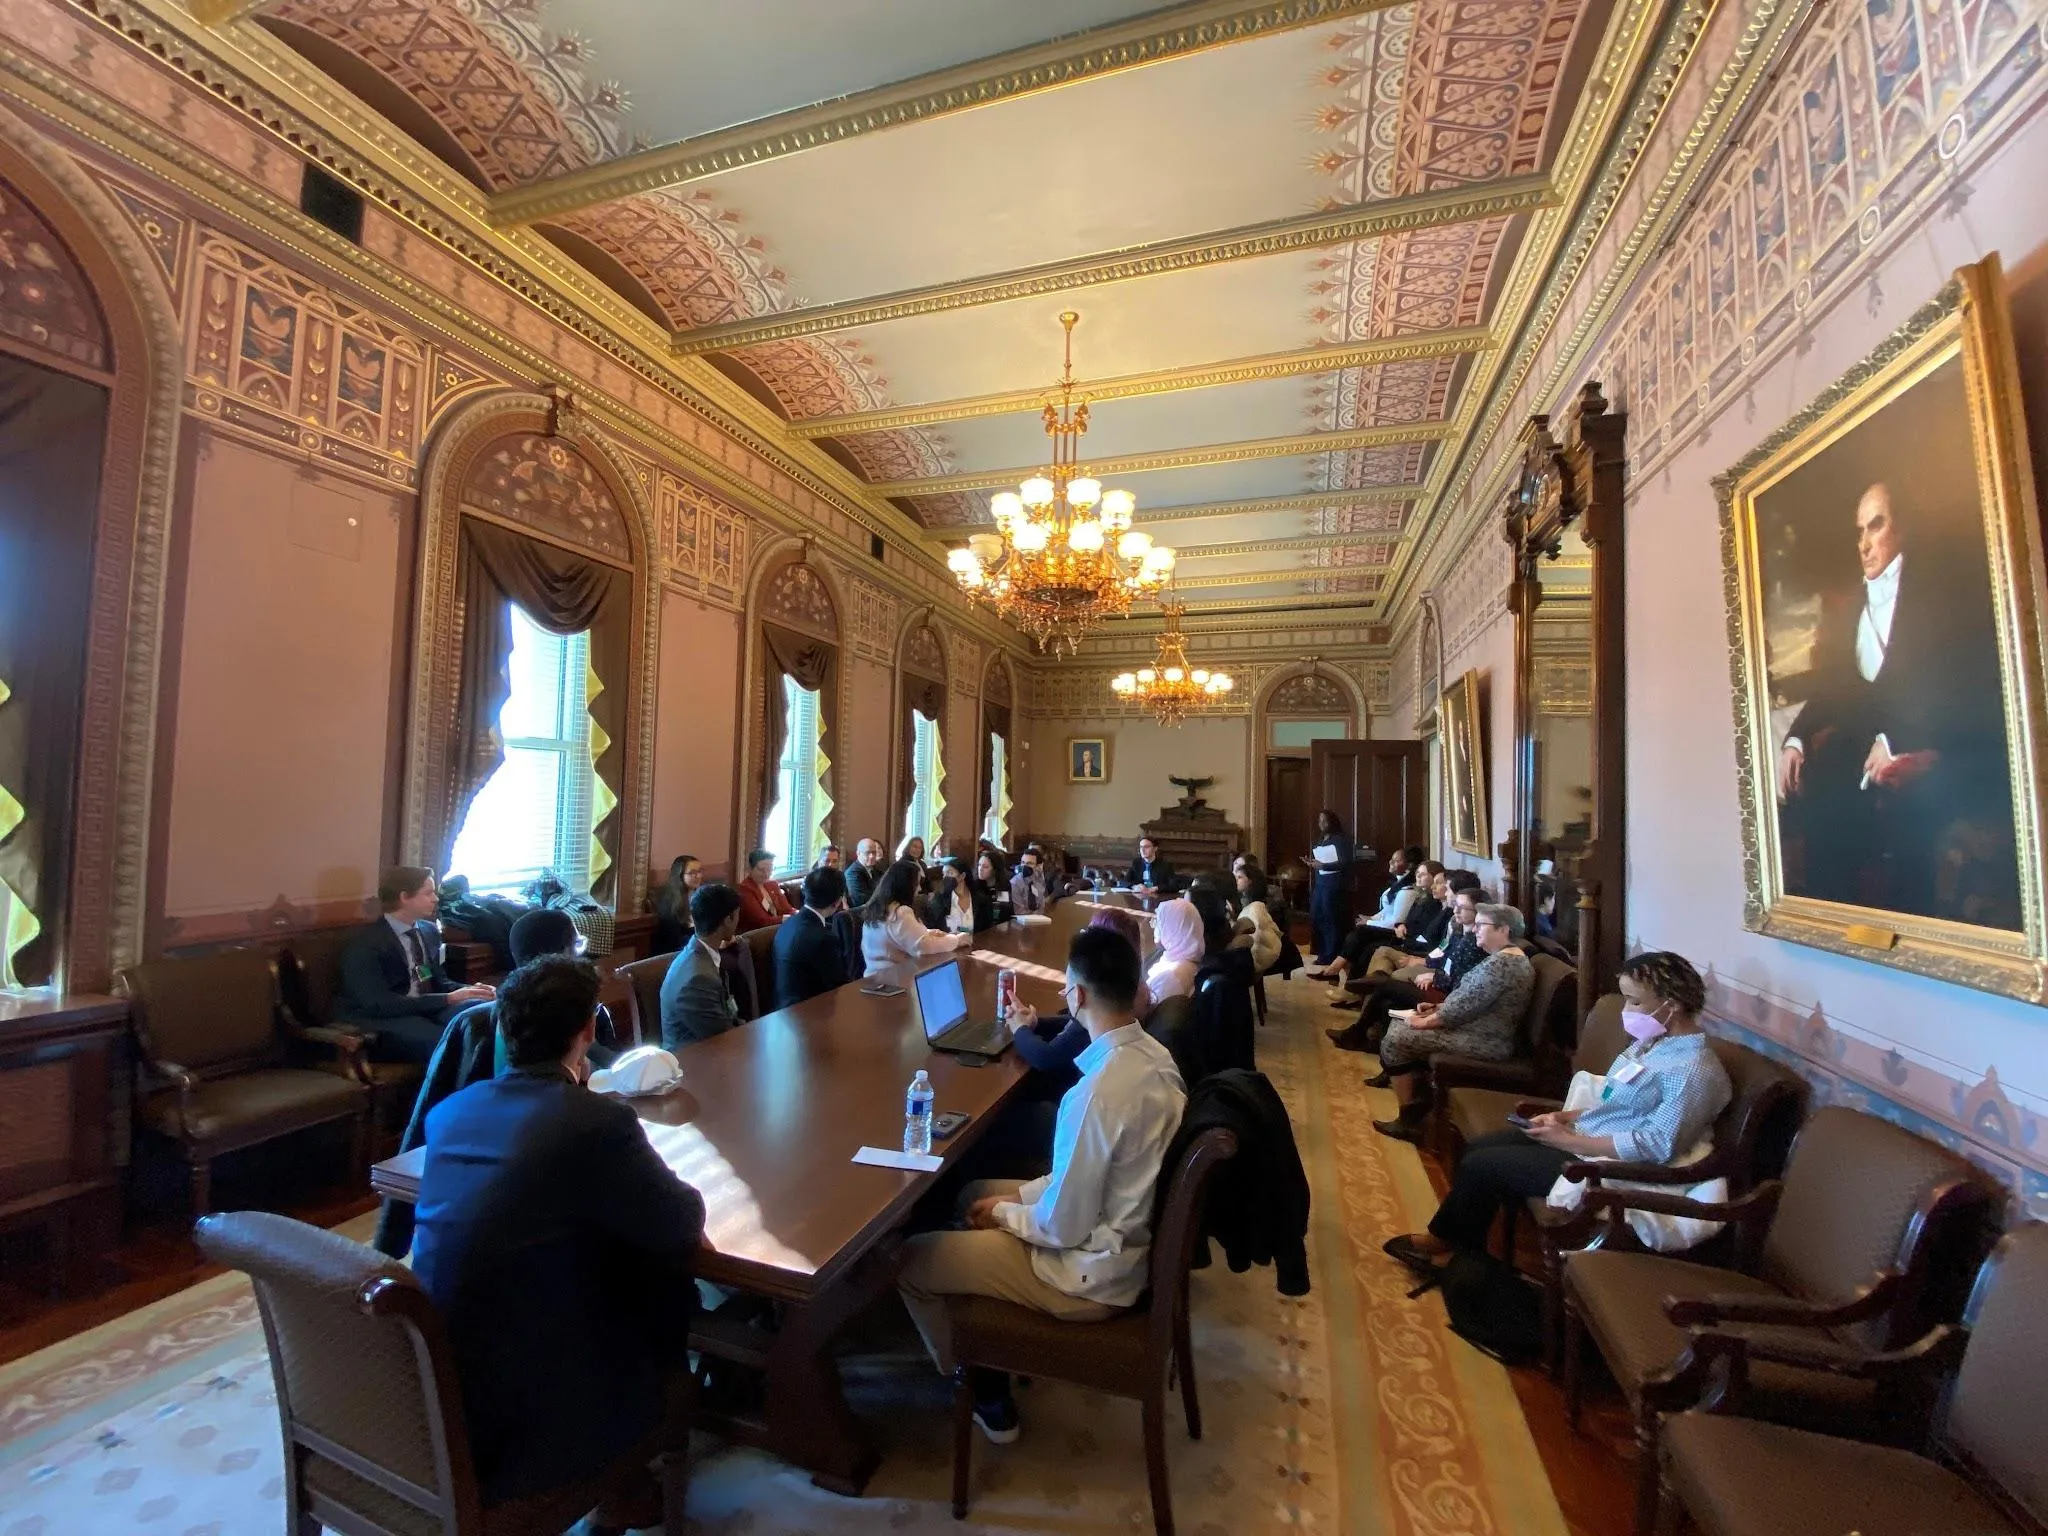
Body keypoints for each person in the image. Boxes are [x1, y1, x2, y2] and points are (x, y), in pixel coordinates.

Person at [410, 954, 707, 1514]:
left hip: (437, 1378)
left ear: (503, 1026)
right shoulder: (597, 1123)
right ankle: (628, 1478)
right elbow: (679, 1225)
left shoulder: (449, 1114)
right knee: (665, 1289)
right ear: (588, 1031)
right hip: (537, 1417)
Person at [897, 926, 1186, 1440]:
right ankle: (977, 1298)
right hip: (1118, 1232)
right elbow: (1084, 1179)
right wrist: (1009, 1198)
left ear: (1077, 995)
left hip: (1088, 1274)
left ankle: (976, 1381)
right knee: (972, 1191)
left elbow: (1062, 1225)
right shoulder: (1154, 1058)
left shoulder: (1096, 1093)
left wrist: (1005, 1213)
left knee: (910, 1260)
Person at [1382, 952, 1733, 1276]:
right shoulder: (1654, 1044)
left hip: (1615, 1167)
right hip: (1585, 1137)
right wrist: (1565, 1118)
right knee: (1479, 1149)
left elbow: (1657, 1144)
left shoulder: (1692, 1069)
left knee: (1483, 1165)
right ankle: (1466, 1244)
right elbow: (1618, 1103)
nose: (1627, 1009)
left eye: (1635, 1001)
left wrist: (1572, 1139)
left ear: (1670, 1006)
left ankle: (1449, 1247)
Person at [1774, 482, 2015, 921]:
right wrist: (1795, 741)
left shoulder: (1940, 598)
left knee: (1914, 811)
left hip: (1942, 740)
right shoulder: (1851, 612)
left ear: (1900, 530)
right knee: (1825, 788)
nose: (1864, 544)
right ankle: (1831, 919)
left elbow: (1964, 684)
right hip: (1868, 757)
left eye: (1876, 525)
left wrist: (1897, 738)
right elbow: (1832, 689)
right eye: (1859, 531)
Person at [1372, 903, 1535, 1143]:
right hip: (1474, 1028)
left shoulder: (1504, 965)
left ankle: (1410, 1121)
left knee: (1397, 1037)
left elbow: (1462, 1009)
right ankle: (1417, 1104)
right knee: (1401, 1026)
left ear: (1503, 930)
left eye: (1481, 925)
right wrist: (1435, 1007)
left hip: (1485, 1040)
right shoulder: (1502, 958)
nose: (1475, 930)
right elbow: (1470, 1000)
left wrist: (1423, 1023)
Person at [339, 866, 494, 1062]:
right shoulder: (365, 943)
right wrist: (447, 999)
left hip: (425, 1005)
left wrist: (472, 991)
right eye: (428, 893)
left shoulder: (428, 932)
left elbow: (437, 980)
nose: (436, 899)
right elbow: (378, 1004)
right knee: (446, 1041)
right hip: (383, 1016)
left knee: (483, 1015)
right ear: (404, 897)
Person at [1330, 883, 1485, 1052]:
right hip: (1436, 973)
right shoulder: (1458, 931)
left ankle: (1359, 1029)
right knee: (1386, 994)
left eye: (1462, 908)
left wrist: (1433, 975)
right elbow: (1443, 955)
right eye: (1456, 906)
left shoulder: (1475, 943)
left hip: (1445, 993)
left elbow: (1462, 979)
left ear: (1478, 912)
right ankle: (1368, 1037)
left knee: (1387, 985)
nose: (1456, 911)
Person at [1321, 863, 1449, 999]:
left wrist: (1418, 955)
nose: (1418, 876)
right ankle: (1344, 978)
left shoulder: (1436, 904)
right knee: (1362, 931)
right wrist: (1400, 925)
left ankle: (1350, 987)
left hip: (1413, 943)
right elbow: (1409, 920)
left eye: (1423, 874)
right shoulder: (1424, 896)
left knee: (1370, 947)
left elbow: (1430, 937)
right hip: (1406, 934)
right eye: (1417, 872)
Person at [660, 883, 744, 1049]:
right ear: (728, 919)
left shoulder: (701, 953)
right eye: (738, 915)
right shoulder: (698, 979)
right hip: (692, 1062)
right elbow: (721, 1038)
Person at [860, 857, 971, 973]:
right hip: (893, 980)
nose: (919, 888)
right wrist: (957, 940)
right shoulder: (900, 912)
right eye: (917, 884)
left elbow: (897, 935)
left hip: (875, 976)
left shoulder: (880, 907)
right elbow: (922, 946)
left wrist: (927, 932)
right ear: (905, 885)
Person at [773, 866, 853, 1008]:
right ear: (838, 901)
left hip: (782, 1011)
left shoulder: (787, 925)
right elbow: (839, 987)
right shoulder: (823, 939)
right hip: (810, 1016)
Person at [1304, 810, 1356, 968]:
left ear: (1332, 822)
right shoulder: (1320, 839)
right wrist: (1312, 863)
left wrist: (1324, 865)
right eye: (1320, 821)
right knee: (1316, 916)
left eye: (1324, 821)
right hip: (1320, 884)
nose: (1321, 824)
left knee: (1331, 919)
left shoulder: (1341, 839)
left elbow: (1345, 862)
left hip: (1334, 885)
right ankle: (1320, 952)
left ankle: (1331, 954)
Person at [1145, 896, 1206, 1003]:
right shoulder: (1190, 960)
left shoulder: (1169, 978)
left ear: (1173, 928)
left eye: (1159, 922)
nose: (1154, 927)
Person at [926, 855, 999, 935]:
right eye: (944, 874)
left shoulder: (980, 898)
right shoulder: (940, 899)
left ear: (962, 876)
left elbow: (987, 927)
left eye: (950, 873)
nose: (945, 877)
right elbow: (932, 929)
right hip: (950, 945)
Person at [649, 853, 702, 954]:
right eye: (692, 873)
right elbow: (674, 938)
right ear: (680, 875)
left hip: (698, 947)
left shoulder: (701, 895)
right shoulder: (669, 902)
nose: (698, 876)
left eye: (700, 871)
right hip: (678, 952)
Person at [735, 848, 795, 932]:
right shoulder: (745, 889)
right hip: (757, 935)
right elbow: (762, 921)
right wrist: (785, 918)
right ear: (750, 869)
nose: (766, 874)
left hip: (777, 929)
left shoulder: (773, 884)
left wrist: (797, 914)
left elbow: (787, 909)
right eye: (761, 870)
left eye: (770, 869)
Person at [845, 837, 885, 910]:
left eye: (874, 852)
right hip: (860, 916)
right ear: (858, 853)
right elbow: (860, 901)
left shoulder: (876, 871)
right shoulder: (852, 873)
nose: (872, 856)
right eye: (867, 853)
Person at [1010, 845, 1052, 914]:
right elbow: (1019, 912)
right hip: (1021, 921)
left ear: (1038, 866)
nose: (1024, 866)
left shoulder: (1039, 880)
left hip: (1038, 920)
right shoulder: (1015, 883)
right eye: (1023, 862)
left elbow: (1041, 907)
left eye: (1029, 863)